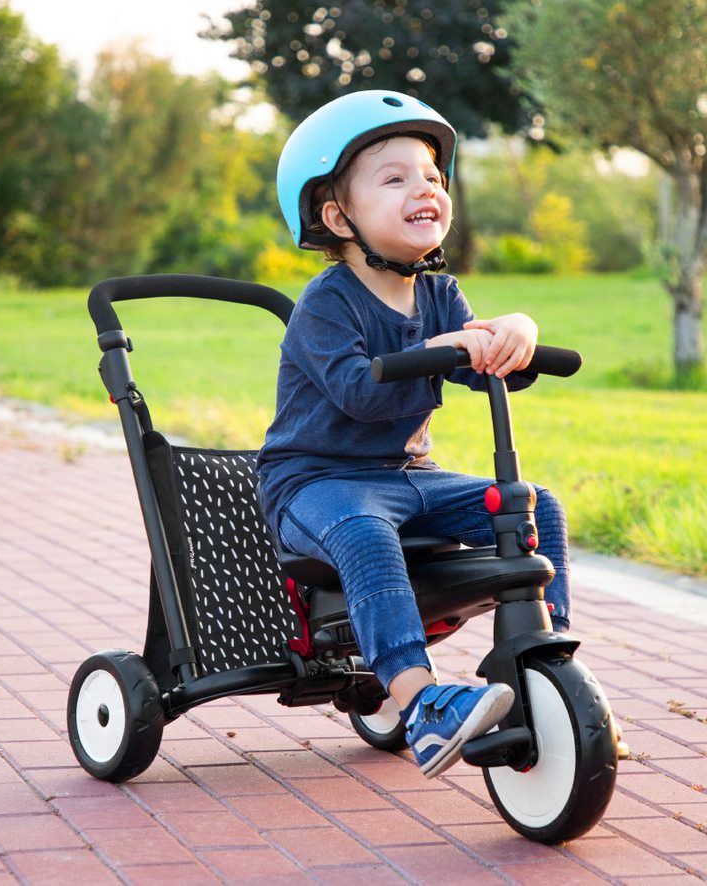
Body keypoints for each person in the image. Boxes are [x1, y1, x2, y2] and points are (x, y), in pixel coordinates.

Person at [256, 90, 571, 779]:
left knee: (533, 504)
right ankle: (419, 702)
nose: (422, 188)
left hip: (408, 478)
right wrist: (451, 343)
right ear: (338, 216)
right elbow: (359, 394)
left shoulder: (439, 293)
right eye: (394, 178)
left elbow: (491, 366)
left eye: (430, 175)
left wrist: (514, 331)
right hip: (316, 482)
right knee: (364, 531)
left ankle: (550, 675)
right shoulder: (325, 302)